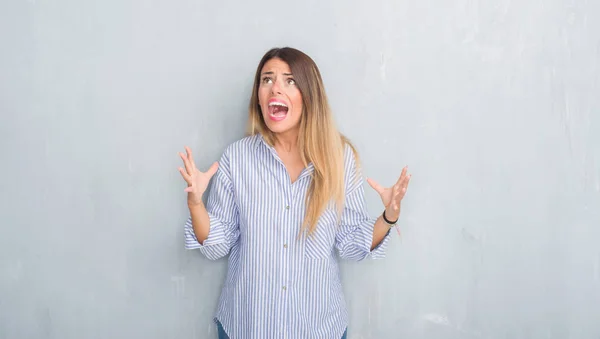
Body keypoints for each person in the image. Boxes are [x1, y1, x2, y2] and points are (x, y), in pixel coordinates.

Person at [178, 47, 411, 339]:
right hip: (248, 327)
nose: (275, 87)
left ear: (309, 95)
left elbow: (352, 243)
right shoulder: (236, 158)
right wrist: (196, 203)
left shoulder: (340, 158)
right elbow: (217, 245)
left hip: (317, 328)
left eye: (290, 80)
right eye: (267, 80)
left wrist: (388, 217)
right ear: (259, 97)